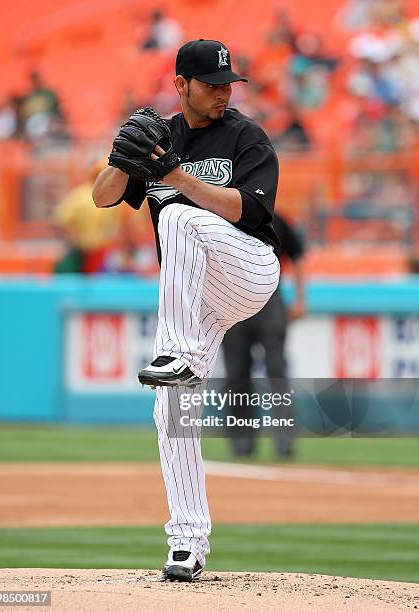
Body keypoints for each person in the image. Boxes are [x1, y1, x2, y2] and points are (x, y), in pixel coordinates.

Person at [92, 39, 280, 582]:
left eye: (228, 84)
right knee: (171, 411)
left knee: (176, 217)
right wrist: (121, 157)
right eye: (212, 84)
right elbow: (105, 197)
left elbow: (248, 209)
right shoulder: (161, 136)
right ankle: (187, 543)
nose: (224, 93)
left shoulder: (245, 135)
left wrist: (175, 177)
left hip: (248, 269)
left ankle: (178, 352)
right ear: (181, 86)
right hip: (196, 294)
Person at [222, 211, 306, 459]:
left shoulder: (276, 219)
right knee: (237, 375)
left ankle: (285, 440)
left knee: (277, 371)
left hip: (269, 301)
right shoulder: (222, 215)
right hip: (233, 301)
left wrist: (301, 298)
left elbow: (298, 255)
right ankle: (242, 441)